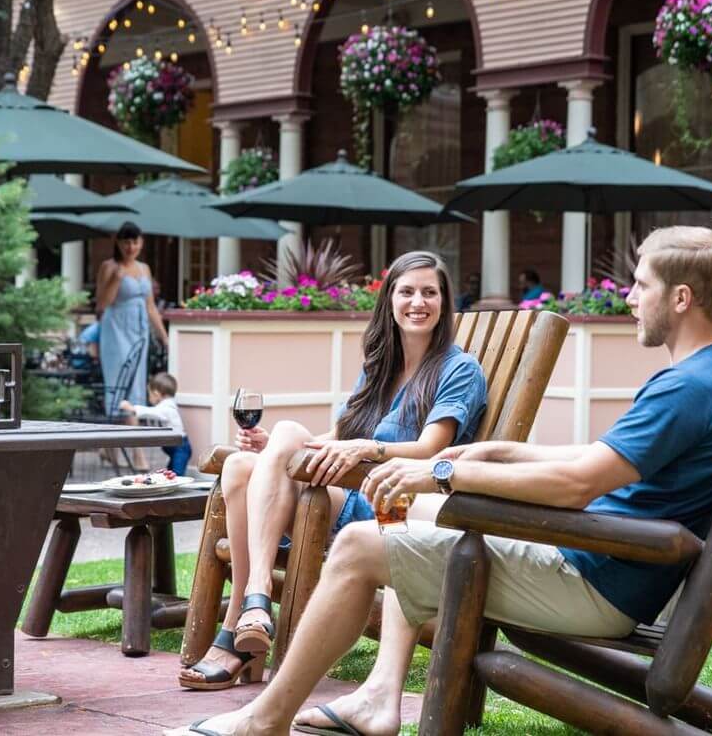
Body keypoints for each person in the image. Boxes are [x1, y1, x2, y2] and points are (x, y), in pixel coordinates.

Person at [169, 225, 712, 736]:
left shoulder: (688, 388)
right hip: (600, 558)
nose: (631, 298)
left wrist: (442, 469)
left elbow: (578, 485)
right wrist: (503, 451)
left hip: (595, 577)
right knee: (404, 515)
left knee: (356, 545)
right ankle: (379, 695)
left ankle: (265, 719)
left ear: (680, 298)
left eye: (642, 285)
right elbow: (597, 459)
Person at [177, 251, 487, 699]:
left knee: (275, 445)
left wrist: (369, 447)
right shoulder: (380, 366)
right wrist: (272, 451)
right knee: (245, 464)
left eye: (429, 292)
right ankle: (255, 606)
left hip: (391, 505)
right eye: (407, 291)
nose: (417, 302)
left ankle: (242, 617)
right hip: (349, 494)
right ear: (390, 301)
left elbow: (431, 447)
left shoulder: (459, 369)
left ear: (444, 303)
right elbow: (336, 436)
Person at [96, 222, 169, 419]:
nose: (131, 247)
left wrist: (164, 337)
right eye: (126, 242)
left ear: (141, 243)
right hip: (116, 328)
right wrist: (117, 279)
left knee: (137, 380)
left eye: (135, 242)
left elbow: (151, 306)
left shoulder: (144, 269)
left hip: (139, 329)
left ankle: (110, 445)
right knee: (120, 380)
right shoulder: (109, 267)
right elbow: (102, 304)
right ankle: (132, 446)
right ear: (118, 243)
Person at [120, 371, 192, 476]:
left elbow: (152, 413)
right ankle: (172, 487)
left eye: (149, 394)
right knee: (170, 473)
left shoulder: (167, 408)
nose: (149, 398)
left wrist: (132, 409)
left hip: (180, 448)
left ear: (156, 394)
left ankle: (181, 489)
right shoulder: (166, 406)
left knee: (176, 475)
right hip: (175, 448)